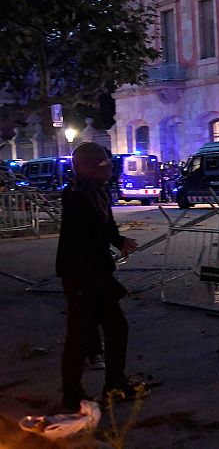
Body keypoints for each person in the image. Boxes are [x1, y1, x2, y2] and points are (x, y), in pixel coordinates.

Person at [56, 142, 145, 411]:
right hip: (82, 275)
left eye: (108, 164)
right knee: (80, 335)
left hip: (94, 273)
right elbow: (82, 244)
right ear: (85, 168)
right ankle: (72, 395)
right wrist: (106, 281)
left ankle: (115, 383)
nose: (108, 170)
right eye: (102, 165)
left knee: (115, 328)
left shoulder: (97, 193)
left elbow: (105, 226)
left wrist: (119, 241)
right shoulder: (77, 197)